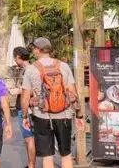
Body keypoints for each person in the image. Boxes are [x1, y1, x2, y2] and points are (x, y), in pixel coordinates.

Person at [21, 38, 84, 168]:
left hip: (42, 115)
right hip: (64, 115)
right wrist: (79, 115)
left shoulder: (31, 69)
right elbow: (73, 92)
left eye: (34, 49)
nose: (33, 51)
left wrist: (25, 116)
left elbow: (25, 96)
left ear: (38, 50)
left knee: (47, 156)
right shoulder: (63, 66)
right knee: (66, 154)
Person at [13, 46, 36, 168]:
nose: (14, 61)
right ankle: (30, 163)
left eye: (14, 58)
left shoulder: (27, 70)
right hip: (29, 107)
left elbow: (30, 90)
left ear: (18, 57)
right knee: (29, 138)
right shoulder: (34, 68)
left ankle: (31, 165)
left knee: (29, 138)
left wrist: (17, 91)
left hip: (25, 107)